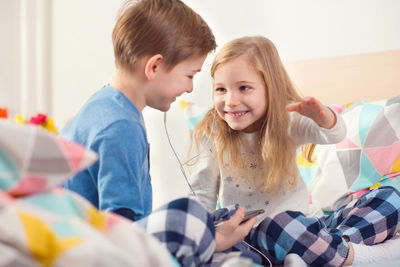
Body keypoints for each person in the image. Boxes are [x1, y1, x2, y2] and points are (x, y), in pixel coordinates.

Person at [60, 0, 256, 266]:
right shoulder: (121, 127)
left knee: (201, 221)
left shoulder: (104, 106)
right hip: (97, 251)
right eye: (189, 75)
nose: (189, 88)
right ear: (154, 67)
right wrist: (212, 240)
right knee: (191, 217)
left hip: (83, 240)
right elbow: (122, 232)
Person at [188, 36, 400, 266]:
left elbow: (334, 134)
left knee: (390, 198)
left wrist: (324, 117)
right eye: (221, 89)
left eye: (244, 88)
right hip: (248, 237)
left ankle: (326, 249)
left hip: (305, 229)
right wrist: (204, 238)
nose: (230, 100)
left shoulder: (288, 121)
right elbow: (202, 193)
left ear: (273, 87)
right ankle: (344, 256)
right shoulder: (214, 132)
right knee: (272, 226)